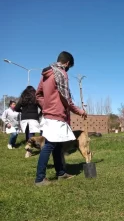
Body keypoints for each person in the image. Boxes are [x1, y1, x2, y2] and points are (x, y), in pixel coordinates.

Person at [34, 51, 87, 186]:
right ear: (67, 63)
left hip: (49, 115)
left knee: (57, 145)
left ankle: (61, 173)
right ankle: (40, 179)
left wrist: (46, 106)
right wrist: (80, 111)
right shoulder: (61, 73)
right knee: (49, 145)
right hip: (56, 116)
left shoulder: (46, 74)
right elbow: (66, 99)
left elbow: (38, 94)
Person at [15, 86, 42, 157]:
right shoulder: (35, 98)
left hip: (24, 118)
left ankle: (28, 151)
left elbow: (16, 108)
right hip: (33, 118)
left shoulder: (23, 98)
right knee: (31, 135)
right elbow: (42, 107)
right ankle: (29, 151)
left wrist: (22, 111)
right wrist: (39, 114)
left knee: (27, 134)